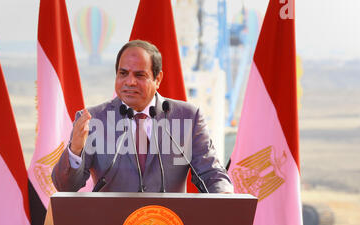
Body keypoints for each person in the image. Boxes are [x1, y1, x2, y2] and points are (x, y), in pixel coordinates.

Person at [52, 40, 233, 194]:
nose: (130, 82)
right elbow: (65, 186)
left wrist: (225, 195)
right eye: (123, 73)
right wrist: (75, 151)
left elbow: (211, 173)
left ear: (158, 79)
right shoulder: (94, 119)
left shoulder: (187, 117)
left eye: (139, 75)